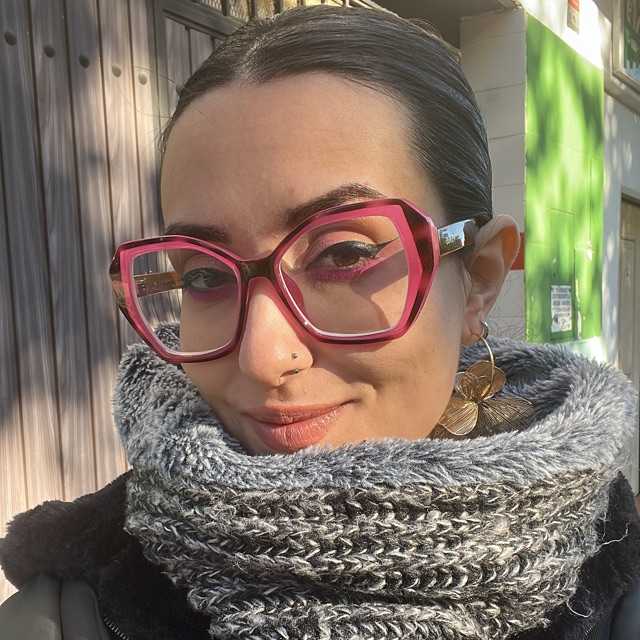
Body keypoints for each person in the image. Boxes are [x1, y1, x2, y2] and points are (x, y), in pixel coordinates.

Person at [1, 5, 639, 639]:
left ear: (479, 277)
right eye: (204, 276)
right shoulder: (67, 617)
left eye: (344, 255)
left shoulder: (617, 585)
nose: (262, 358)